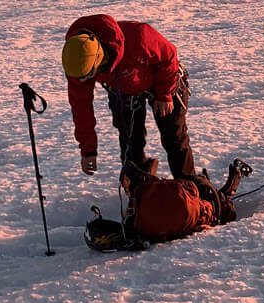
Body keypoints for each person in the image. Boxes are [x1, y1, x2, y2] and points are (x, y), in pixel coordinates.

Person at [61, 13, 195, 183]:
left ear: (100, 60)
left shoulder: (138, 37)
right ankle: (140, 186)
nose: (82, 81)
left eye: (88, 76)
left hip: (162, 80)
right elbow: (81, 108)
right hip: (122, 88)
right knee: (130, 142)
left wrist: (164, 95)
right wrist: (88, 151)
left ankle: (189, 186)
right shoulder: (76, 62)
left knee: (174, 136)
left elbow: (168, 56)